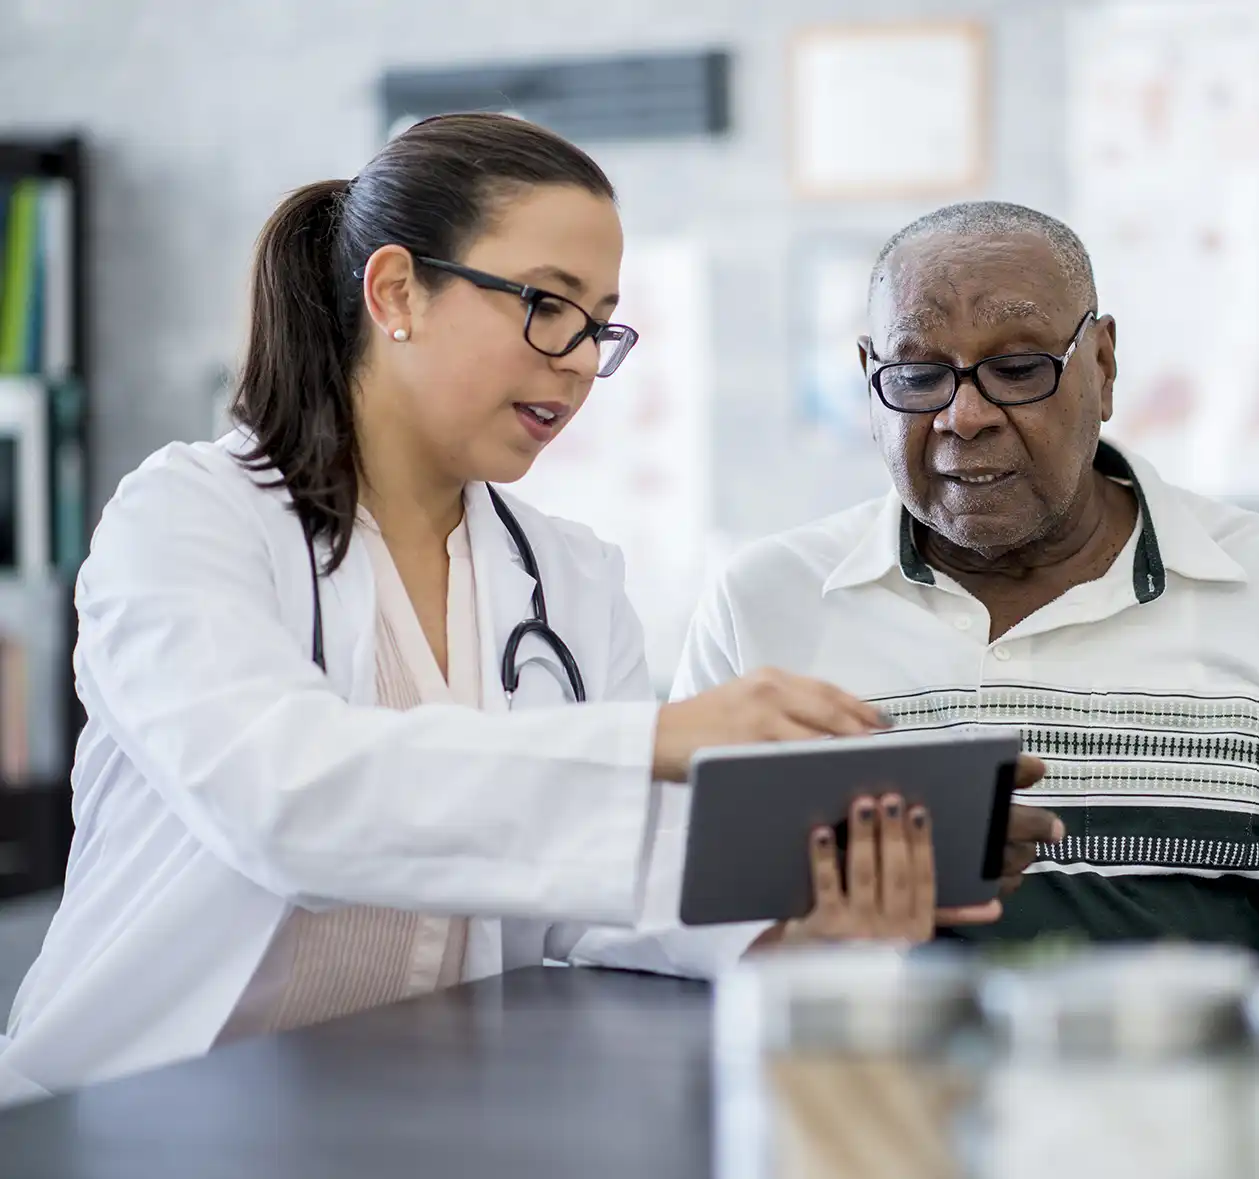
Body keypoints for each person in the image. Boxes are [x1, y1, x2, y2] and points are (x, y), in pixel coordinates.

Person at [0, 117, 1024, 1105]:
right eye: (546, 304)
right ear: (397, 291)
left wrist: (797, 918)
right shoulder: (188, 516)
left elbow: (599, 895)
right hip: (137, 1112)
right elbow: (282, 800)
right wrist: (652, 741)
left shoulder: (567, 578)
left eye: (599, 324)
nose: (578, 360)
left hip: (411, 1113)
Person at [575, 201, 1259, 975]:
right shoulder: (765, 603)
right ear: (870, 381)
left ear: (1102, 366)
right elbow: (652, 915)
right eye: (918, 375)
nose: (964, 415)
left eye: (1020, 367)